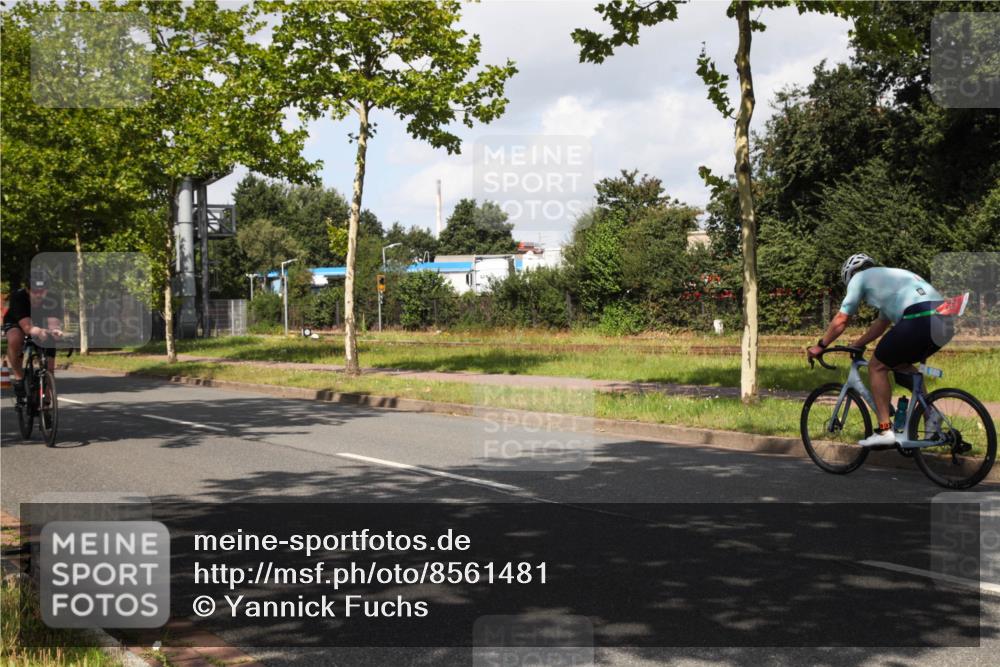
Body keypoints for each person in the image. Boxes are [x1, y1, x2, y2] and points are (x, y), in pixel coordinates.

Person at [806, 254, 961, 447]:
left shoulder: (859, 278)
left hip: (920, 318)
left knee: (876, 367)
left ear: (850, 274)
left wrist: (820, 346)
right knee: (902, 365)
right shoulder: (888, 280)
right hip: (944, 321)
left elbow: (841, 319)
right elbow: (881, 324)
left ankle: (884, 430)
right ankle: (931, 415)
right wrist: (858, 344)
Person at [2, 270, 64, 406]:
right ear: (27, 289)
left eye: (42, 291)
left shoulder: (53, 299)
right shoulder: (18, 297)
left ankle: (46, 401)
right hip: (18, 321)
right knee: (15, 339)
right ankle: (18, 377)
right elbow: (27, 328)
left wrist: (55, 331)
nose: (38, 295)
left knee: (49, 366)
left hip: (41, 322)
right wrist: (38, 331)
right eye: (35, 291)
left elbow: (53, 323)